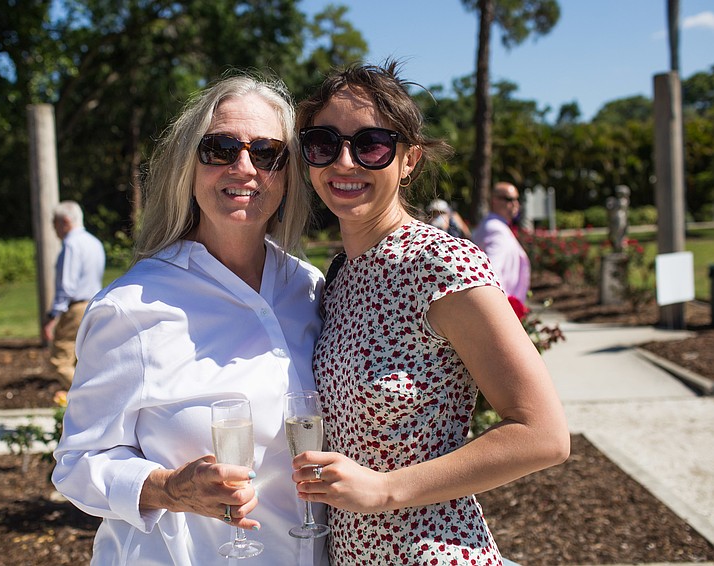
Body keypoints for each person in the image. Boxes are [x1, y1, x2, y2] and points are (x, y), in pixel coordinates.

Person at [292, 61, 569, 565]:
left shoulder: (440, 263)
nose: (345, 162)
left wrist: (386, 489)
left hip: (433, 550)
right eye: (323, 143)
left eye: (371, 144)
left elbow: (543, 434)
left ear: (409, 160)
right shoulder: (338, 278)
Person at [52, 74, 328, 565]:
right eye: (220, 148)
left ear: (287, 174)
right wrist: (168, 489)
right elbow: (77, 465)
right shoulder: (133, 306)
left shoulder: (309, 289)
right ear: (188, 164)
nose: (244, 167)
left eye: (267, 153)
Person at [43, 201, 106, 387]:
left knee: (60, 361)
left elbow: (67, 285)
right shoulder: (95, 242)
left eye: (54, 223)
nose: (54, 230)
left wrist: (52, 315)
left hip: (76, 308)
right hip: (96, 304)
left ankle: (90, 400)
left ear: (65, 221)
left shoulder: (71, 245)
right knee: (84, 362)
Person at [472, 182, 531, 304]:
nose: (515, 204)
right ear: (494, 200)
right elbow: (493, 274)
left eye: (517, 199)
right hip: (501, 304)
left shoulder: (494, 225)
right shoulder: (495, 229)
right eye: (509, 199)